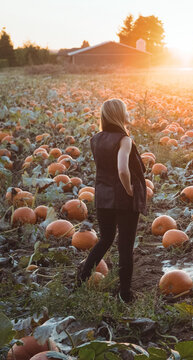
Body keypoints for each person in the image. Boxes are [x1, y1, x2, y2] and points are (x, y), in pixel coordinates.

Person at [77, 98, 147, 302]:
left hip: (102, 196)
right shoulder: (124, 140)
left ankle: (81, 279)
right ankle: (125, 294)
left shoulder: (96, 139)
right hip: (123, 199)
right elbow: (122, 169)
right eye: (125, 111)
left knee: (105, 239)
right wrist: (130, 189)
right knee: (125, 246)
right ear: (120, 115)